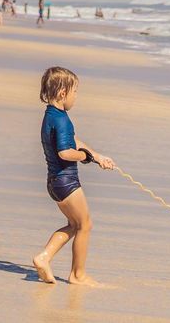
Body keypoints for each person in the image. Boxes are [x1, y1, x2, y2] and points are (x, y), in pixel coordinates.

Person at [33, 66, 116, 287]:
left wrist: (97, 156)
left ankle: (44, 257)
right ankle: (78, 275)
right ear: (63, 93)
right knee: (85, 225)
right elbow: (65, 152)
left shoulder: (52, 116)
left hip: (55, 183)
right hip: (66, 181)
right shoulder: (61, 120)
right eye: (75, 92)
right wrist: (85, 157)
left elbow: (73, 140)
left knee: (73, 224)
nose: (76, 97)